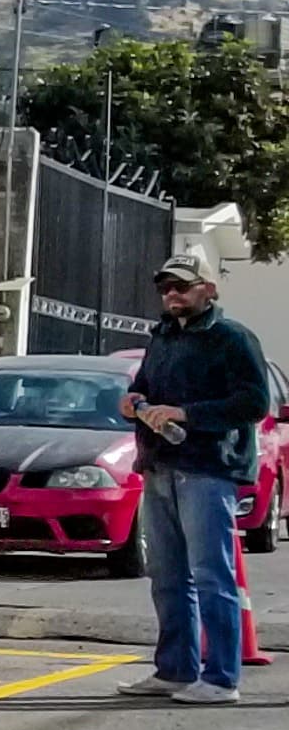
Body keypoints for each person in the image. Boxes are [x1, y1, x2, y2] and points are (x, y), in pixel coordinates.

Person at [119, 254, 273, 703]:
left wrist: (187, 413)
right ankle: (175, 670)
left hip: (208, 468)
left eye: (182, 287)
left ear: (209, 289)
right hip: (159, 465)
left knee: (211, 575)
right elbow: (145, 383)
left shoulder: (232, 338)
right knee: (166, 575)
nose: (172, 295)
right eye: (165, 287)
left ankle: (222, 678)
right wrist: (135, 400)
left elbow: (253, 403)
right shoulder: (163, 335)